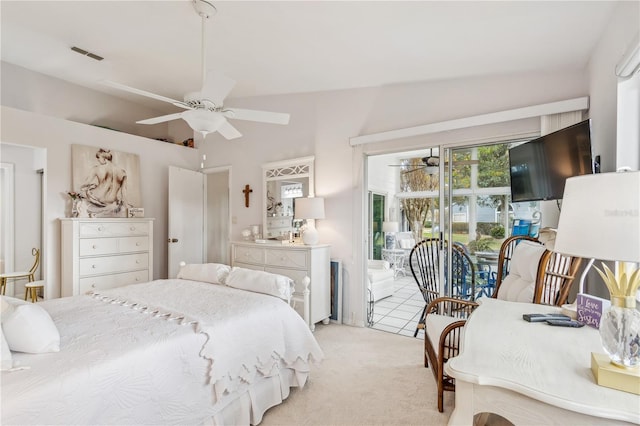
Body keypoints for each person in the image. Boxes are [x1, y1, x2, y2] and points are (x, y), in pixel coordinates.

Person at [80, 149, 129, 215]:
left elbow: (85, 183)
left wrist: (91, 186)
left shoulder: (96, 168)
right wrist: (126, 206)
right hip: (112, 201)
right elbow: (124, 192)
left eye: (98, 158)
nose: (98, 160)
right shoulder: (123, 172)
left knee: (83, 194)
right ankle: (109, 208)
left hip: (97, 198)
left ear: (104, 158)